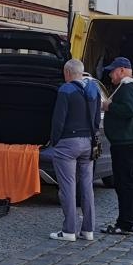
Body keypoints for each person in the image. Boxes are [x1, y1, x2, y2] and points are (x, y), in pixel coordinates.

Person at [40, 59, 102, 241]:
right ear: (81, 73)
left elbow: (58, 120)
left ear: (67, 72)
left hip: (68, 143)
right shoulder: (93, 89)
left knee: (67, 186)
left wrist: (54, 141)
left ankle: (68, 231)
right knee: (87, 186)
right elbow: (97, 118)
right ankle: (88, 230)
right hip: (88, 142)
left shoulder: (65, 90)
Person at [101, 57, 133, 235]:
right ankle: (130, 220)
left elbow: (129, 110)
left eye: (112, 71)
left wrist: (109, 106)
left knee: (124, 183)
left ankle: (125, 223)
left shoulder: (127, 86)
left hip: (126, 142)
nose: (110, 75)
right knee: (129, 182)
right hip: (129, 140)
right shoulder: (131, 85)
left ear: (121, 70)